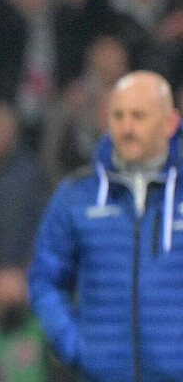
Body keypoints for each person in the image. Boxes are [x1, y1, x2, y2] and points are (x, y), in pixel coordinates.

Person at [28, 71, 183, 382]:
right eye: (118, 116)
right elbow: (45, 280)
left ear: (169, 123)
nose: (127, 127)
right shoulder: (76, 196)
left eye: (139, 116)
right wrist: (75, 346)